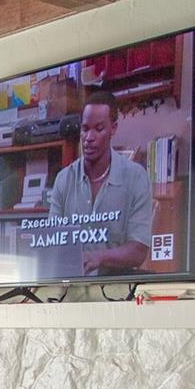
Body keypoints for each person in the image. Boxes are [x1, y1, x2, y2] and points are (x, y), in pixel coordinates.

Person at [46, 91, 154, 274]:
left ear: (113, 128)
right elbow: (52, 241)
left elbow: (138, 251)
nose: (89, 137)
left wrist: (99, 257)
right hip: (71, 286)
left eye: (98, 128)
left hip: (116, 287)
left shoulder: (136, 177)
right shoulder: (64, 179)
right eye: (85, 128)